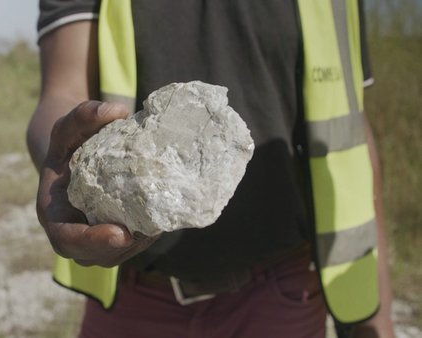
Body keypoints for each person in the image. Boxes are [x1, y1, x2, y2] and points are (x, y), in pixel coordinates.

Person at [26, 1, 395, 337]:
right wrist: (61, 162)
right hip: (135, 295)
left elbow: (350, 128)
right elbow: (61, 91)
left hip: (284, 295)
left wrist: (377, 317)